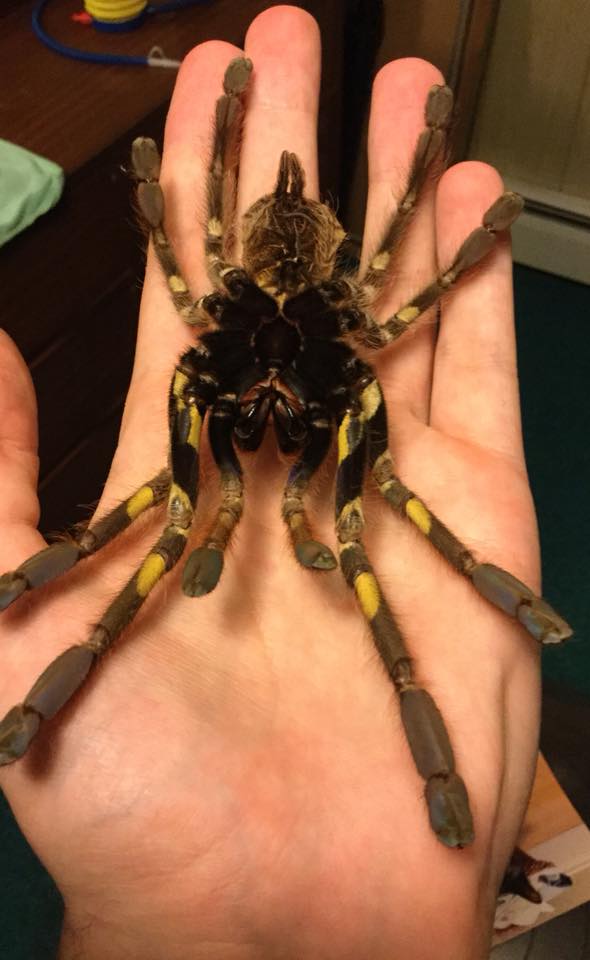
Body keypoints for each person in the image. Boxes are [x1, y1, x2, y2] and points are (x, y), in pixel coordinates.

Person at [0, 6, 542, 957]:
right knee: (189, 516)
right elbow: (197, 258)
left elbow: (364, 271)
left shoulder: (267, 336)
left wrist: (438, 220)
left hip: (302, 318)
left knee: (366, 517)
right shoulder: (249, 343)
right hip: (299, 317)